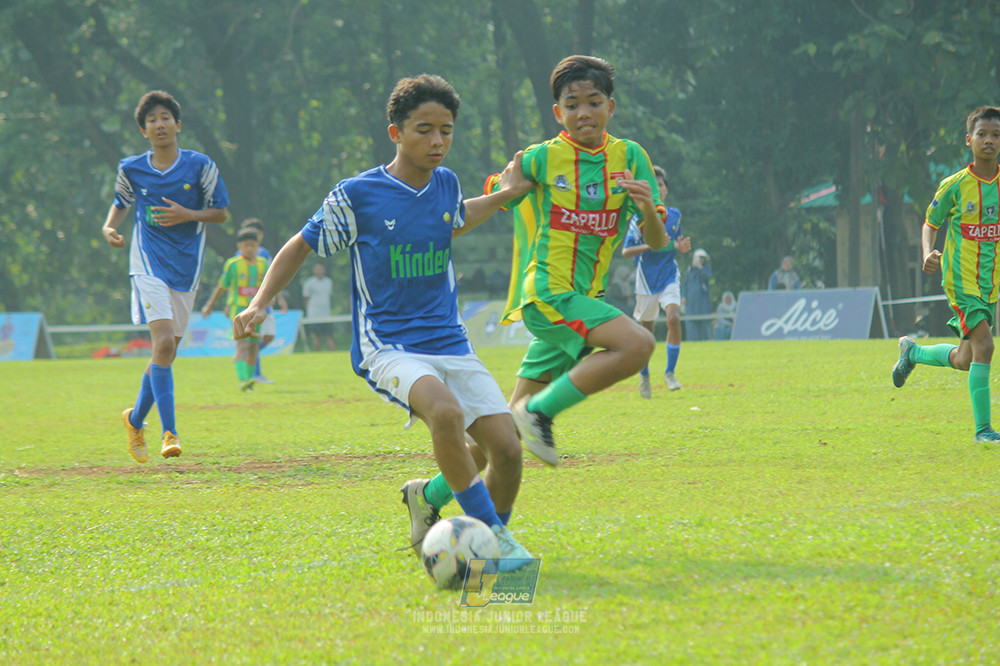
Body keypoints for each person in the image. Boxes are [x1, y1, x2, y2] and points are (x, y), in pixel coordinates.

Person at [232, 74, 534, 566]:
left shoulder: (447, 184)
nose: (437, 141)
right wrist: (260, 302)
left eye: (446, 130)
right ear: (395, 133)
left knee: (507, 449)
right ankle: (498, 541)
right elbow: (300, 244)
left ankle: (450, 523)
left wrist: (504, 195)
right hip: (388, 345)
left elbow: (454, 218)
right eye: (424, 130)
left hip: (450, 341)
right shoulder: (358, 195)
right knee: (447, 414)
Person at [101, 90, 230, 463]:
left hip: (186, 267)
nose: (159, 124)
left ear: (177, 124)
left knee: (167, 350)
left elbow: (221, 212)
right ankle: (169, 433)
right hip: (147, 264)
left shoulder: (201, 166)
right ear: (144, 130)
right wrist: (109, 229)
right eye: (152, 120)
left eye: (165, 117)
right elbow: (120, 206)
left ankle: (134, 418)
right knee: (162, 344)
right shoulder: (131, 168)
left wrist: (188, 214)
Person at [892, 105, 1000, 444]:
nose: (989, 140)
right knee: (985, 346)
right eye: (982, 134)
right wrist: (928, 251)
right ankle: (984, 431)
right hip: (960, 280)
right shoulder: (954, 185)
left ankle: (913, 353)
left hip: (989, 283)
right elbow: (930, 223)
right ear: (968, 139)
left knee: (965, 359)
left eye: (995, 135)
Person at [622, 165, 691, 396]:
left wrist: (681, 247)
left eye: (661, 185)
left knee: (673, 317)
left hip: (669, 273)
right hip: (646, 279)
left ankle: (670, 373)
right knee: (647, 332)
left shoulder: (675, 215)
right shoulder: (638, 217)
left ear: (666, 190)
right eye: (654, 185)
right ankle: (644, 375)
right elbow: (626, 251)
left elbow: (677, 241)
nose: (658, 188)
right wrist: (649, 244)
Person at [201, 228, 269, 391]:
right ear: (239, 246)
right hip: (238, 308)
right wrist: (210, 305)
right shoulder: (233, 264)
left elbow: (268, 285)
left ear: (258, 246)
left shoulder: (263, 263)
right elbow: (222, 286)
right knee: (241, 344)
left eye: (253, 245)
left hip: (256, 310)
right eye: (246, 245)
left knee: (253, 346)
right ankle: (243, 379)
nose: (249, 249)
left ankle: (249, 381)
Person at [238, 218, 288, 383]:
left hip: (267, 302)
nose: (257, 236)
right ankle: (255, 373)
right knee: (255, 337)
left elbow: (273, 276)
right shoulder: (239, 256)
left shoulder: (265, 253)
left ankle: (249, 356)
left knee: (269, 336)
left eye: (258, 233)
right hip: (249, 304)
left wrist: (277, 297)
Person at [302, 262, 336, 351]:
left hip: (327, 314)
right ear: (314, 271)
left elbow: (330, 297)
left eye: (321, 269)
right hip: (314, 314)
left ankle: (333, 354)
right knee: (316, 336)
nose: (319, 271)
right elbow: (306, 299)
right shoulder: (309, 283)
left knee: (329, 335)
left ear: (324, 270)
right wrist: (309, 312)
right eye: (317, 269)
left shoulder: (329, 282)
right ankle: (317, 354)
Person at [681, 248, 712, 341]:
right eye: (699, 258)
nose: (701, 260)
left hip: (703, 303)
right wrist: (683, 296)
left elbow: (709, 278)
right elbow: (684, 284)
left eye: (703, 258)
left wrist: (700, 267)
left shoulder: (706, 268)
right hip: (691, 304)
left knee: (705, 328)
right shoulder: (689, 270)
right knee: (691, 327)